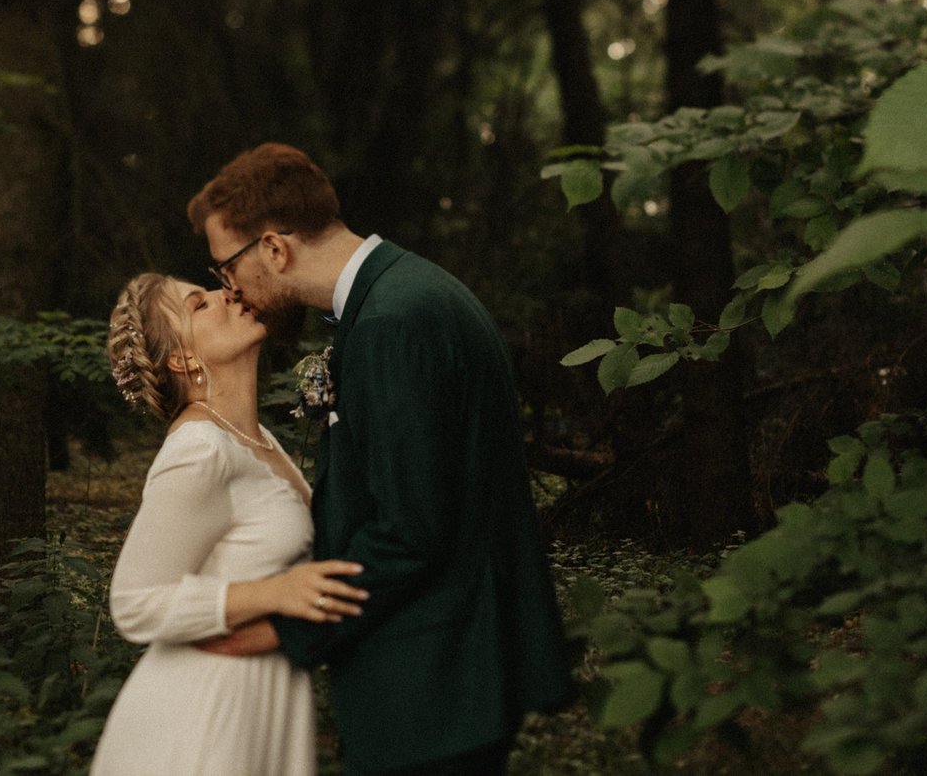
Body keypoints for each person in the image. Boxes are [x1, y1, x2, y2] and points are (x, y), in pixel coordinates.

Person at [188, 143, 574, 776]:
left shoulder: (392, 324)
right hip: (449, 679)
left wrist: (287, 631)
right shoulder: (405, 294)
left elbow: (410, 529)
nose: (229, 290)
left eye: (226, 268)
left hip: (433, 687)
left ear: (275, 249)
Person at [89, 272, 369, 776]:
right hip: (204, 716)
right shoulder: (199, 450)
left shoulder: (256, 437)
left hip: (264, 700)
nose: (227, 293)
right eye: (199, 304)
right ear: (182, 358)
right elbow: (135, 602)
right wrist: (276, 594)